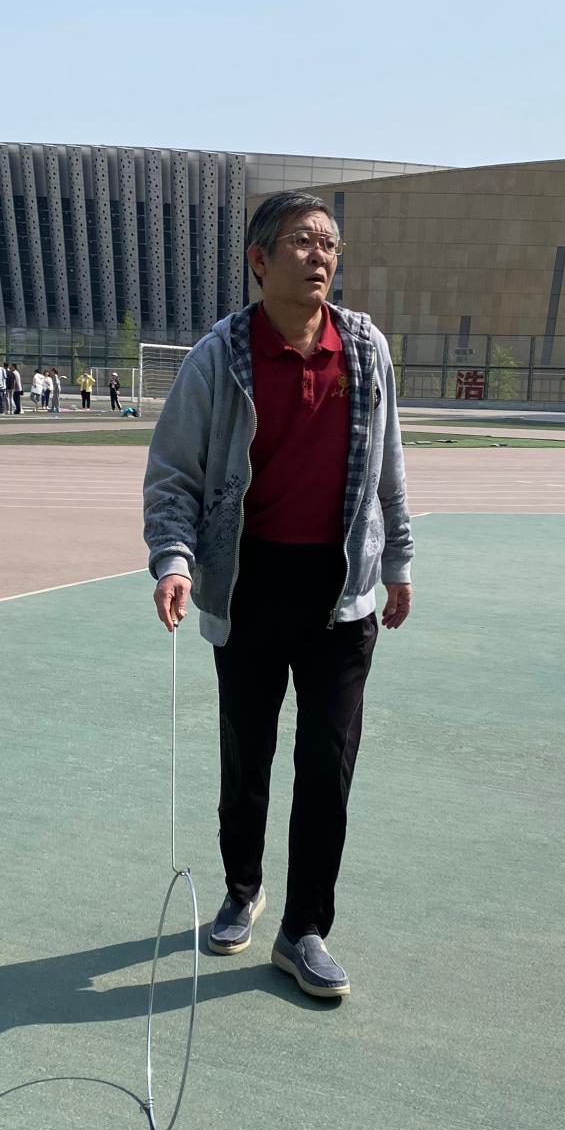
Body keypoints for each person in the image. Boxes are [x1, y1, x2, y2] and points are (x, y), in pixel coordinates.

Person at [143, 191, 414, 1001]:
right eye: (301, 241)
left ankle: (304, 932)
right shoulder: (218, 357)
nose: (319, 255)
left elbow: (389, 467)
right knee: (247, 755)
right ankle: (242, 889)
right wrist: (174, 560)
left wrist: (398, 562)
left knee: (327, 763)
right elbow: (174, 474)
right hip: (249, 582)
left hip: (341, 594)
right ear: (259, 261)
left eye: (329, 243)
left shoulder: (364, 349)